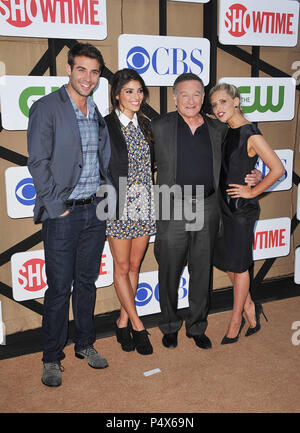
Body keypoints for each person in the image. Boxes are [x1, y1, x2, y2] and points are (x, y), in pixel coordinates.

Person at [151, 73, 260, 350]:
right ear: (175, 98)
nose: (190, 100)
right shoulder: (159, 125)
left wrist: (255, 173)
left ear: (204, 99)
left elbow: (238, 158)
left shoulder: (218, 129)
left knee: (202, 271)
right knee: (169, 270)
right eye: (184, 95)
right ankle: (169, 325)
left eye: (196, 94)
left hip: (208, 205)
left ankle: (197, 326)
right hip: (172, 205)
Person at [27, 43, 113, 387]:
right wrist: (56, 207)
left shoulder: (95, 110)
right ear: (68, 68)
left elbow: (100, 161)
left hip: (95, 212)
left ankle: (85, 344)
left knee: (87, 284)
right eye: (81, 69)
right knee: (59, 288)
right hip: (63, 214)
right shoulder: (47, 107)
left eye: (94, 71)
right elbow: (38, 162)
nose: (88, 77)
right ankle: (51, 357)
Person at [210, 83, 284, 344]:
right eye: (214, 104)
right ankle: (251, 306)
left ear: (236, 101)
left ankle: (236, 318)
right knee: (230, 263)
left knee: (239, 266)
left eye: (223, 102)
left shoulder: (250, 134)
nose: (218, 108)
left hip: (241, 211)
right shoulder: (227, 129)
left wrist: (253, 191)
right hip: (222, 207)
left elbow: (278, 169)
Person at [104, 69, 155, 355]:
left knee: (135, 267)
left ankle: (122, 320)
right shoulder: (106, 126)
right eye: (129, 91)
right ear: (116, 95)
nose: (136, 96)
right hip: (118, 204)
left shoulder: (145, 124)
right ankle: (138, 325)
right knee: (122, 267)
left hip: (145, 202)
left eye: (139, 91)